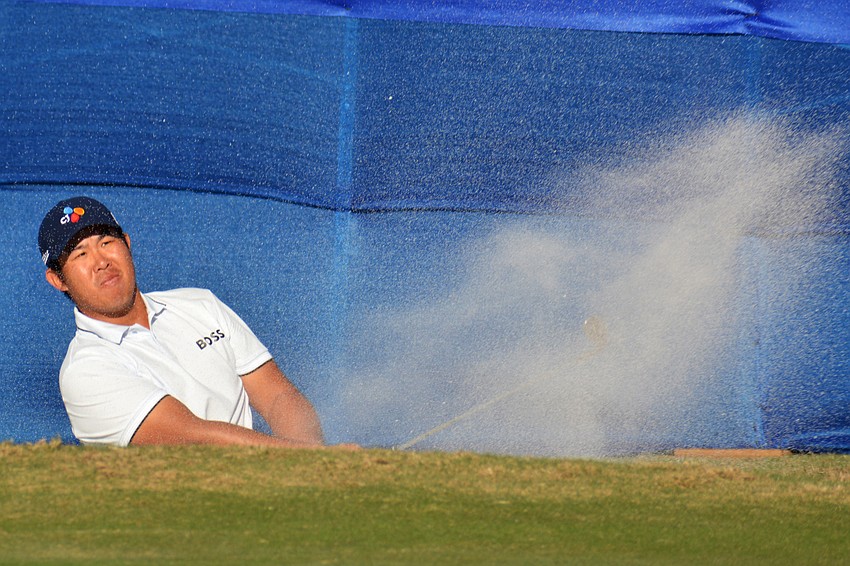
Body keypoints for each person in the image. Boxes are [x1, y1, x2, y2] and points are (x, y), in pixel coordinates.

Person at [39, 196, 330, 448]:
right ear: (57, 280)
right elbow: (196, 439)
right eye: (80, 254)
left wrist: (311, 466)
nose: (101, 260)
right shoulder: (84, 371)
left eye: (106, 242)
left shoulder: (200, 304)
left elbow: (278, 395)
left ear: (127, 244)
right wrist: (307, 460)